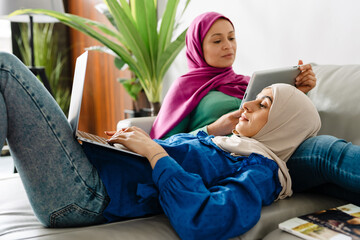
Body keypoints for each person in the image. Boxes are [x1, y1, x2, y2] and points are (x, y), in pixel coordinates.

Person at [0, 51, 320, 239]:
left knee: (5, 68)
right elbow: (192, 156)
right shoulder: (230, 146)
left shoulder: (260, 170)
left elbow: (207, 219)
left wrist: (154, 151)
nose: (247, 105)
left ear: (282, 126)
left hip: (86, 194)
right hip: (86, 173)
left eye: (264, 106)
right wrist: (210, 130)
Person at [150, 12, 360, 204]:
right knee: (323, 150)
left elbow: (276, 120)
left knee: (334, 185)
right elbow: (162, 146)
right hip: (235, 159)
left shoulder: (248, 82)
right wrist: (215, 128)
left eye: (231, 38)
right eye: (217, 40)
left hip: (276, 149)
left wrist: (301, 91)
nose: (228, 46)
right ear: (197, 47)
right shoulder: (184, 87)